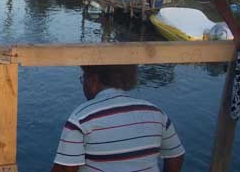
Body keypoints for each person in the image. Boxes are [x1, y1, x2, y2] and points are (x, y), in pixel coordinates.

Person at [52, 65, 184, 172]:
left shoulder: (81, 118)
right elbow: (176, 155)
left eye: (83, 79)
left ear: (93, 80)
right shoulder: (156, 113)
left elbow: (66, 168)